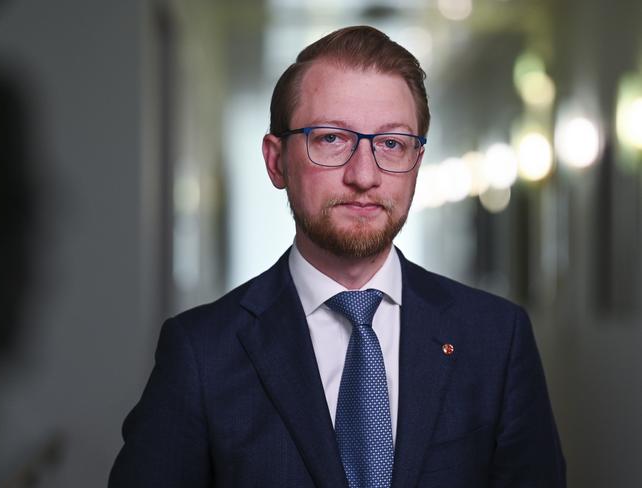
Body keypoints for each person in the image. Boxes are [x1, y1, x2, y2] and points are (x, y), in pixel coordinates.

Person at [109, 25, 565, 487]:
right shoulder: (201, 353)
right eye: (331, 138)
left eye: (391, 143)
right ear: (276, 161)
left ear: (417, 163)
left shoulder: (496, 340)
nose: (364, 175)